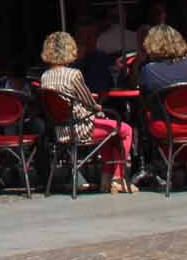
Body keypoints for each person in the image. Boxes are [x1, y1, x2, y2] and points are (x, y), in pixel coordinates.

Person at [39, 31, 133, 194]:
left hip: (61, 130)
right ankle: (117, 178)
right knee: (124, 129)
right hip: (80, 129)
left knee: (108, 131)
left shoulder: (45, 77)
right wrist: (99, 110)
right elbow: (89, 103)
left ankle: (106, 177)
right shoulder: (73, 74)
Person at [136, 25, 187, 97]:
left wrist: (137, 62)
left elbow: (134, 87)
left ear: (152, 45)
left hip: (161, 107)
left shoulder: (149, 69)